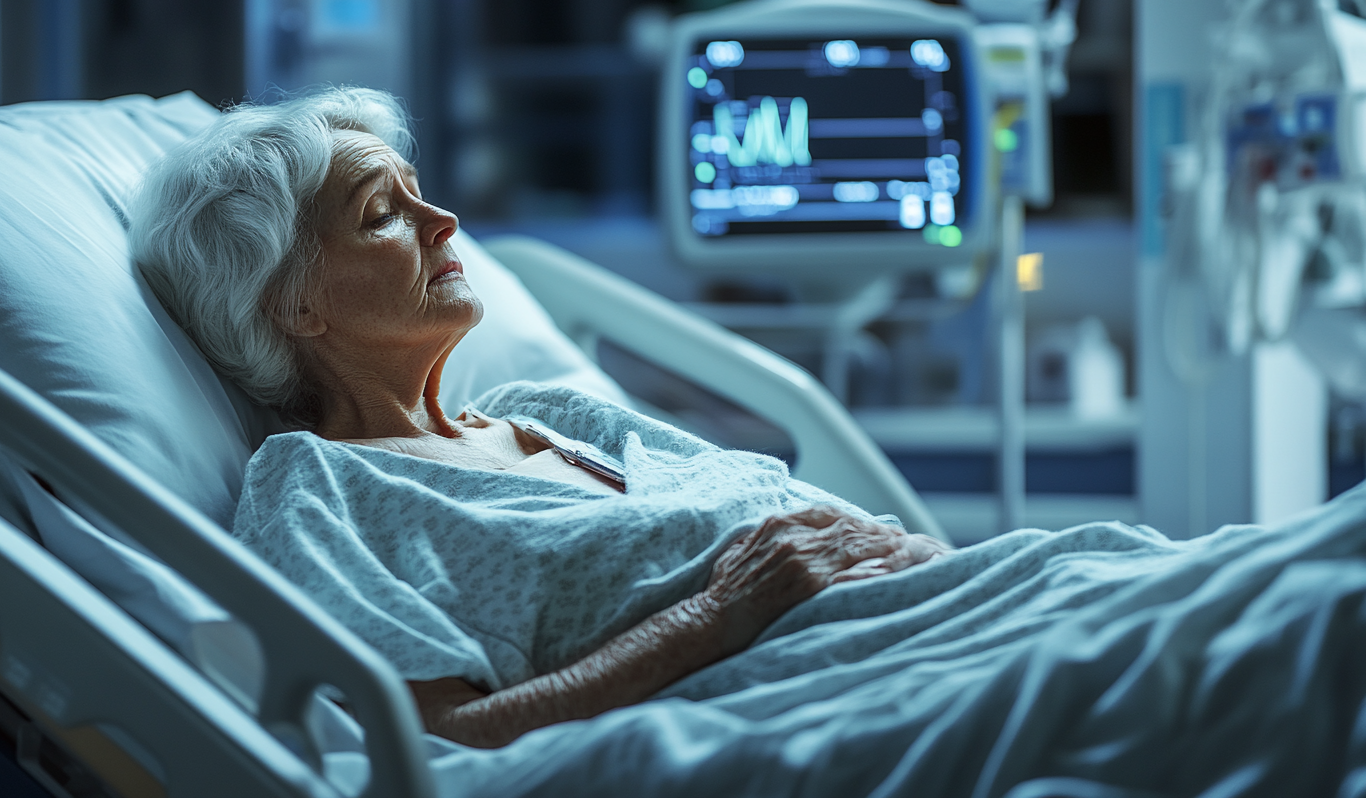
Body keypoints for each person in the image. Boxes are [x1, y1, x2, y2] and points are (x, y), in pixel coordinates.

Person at [130, 86, 948, 749]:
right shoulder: (316, 491)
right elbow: (440, 743)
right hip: (829, 700)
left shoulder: (548, 413)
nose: (442, 221)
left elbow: (789, 513)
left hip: (933, 613)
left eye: (420, 193)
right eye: (383, 213)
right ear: (291, 301)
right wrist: (717, 615)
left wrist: (926, 564)